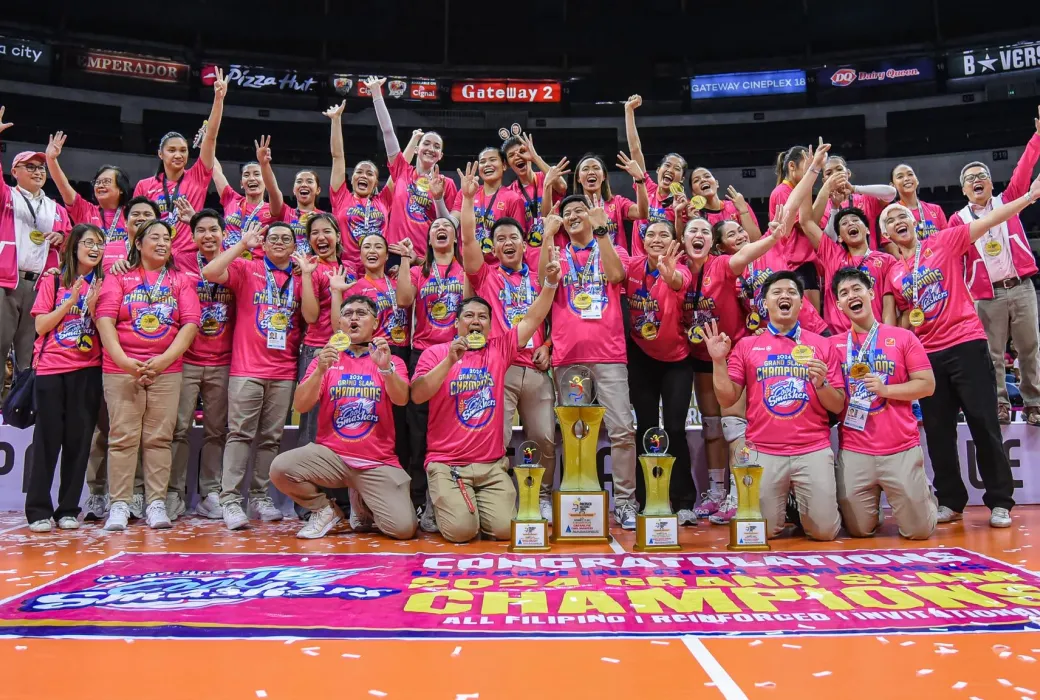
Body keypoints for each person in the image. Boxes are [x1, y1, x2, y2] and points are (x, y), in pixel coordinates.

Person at [881, 173, 1040, 528]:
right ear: (887, 235)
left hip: (966, 342)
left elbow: (990, 219)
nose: (897, 221)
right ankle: (951, 500)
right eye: (890, 220)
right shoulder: (894, 272)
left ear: (914, 222)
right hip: (928, 355)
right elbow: (907, 315)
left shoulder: (944, 241)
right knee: (938, 431)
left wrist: (1028, 198)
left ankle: (1000, 501)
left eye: (901, 216)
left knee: (984, 422)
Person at [687, 158, 822, 523]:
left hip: (795, 343)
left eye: (742, 232)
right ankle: (731, 493)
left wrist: (812, 172)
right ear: (720, 246)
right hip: (748, 352)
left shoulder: (770, 252)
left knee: (783, 421)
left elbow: (791, 210)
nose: (740, 237)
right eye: (730, 235)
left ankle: (783, 494)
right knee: (732, 427)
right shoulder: (725, 269)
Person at [411, 258, 559, 543]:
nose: (475, 321)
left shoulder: (499, 349)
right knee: (462, 533)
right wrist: (450, 361)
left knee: (505, 531)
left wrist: (550, 284)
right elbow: (417, 394)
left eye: (482, 317)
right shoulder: (436, 353)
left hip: (490, 466)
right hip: (449, 463)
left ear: (491, 325)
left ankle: (464, 505)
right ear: (456, 323)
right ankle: (443, 500)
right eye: (469, 316)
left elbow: (532, 319)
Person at [705, 271, 845, 541]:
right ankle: (791, 503)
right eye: (777, 292)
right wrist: (718, 361)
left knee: (825, 532)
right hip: (764, 450)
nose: (785, 296)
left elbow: (838, 404)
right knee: (762, 532)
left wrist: (821, 383)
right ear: (765, 304)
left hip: (812, 448)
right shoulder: (747, 345)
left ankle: (802, 503)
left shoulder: (822, 345)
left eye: (792, 292)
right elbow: (727, 398)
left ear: (802, 303)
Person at [270, 295, 417, 540]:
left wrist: (385, 369)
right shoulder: (326, 359)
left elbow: (402, 399)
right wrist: (319, 370)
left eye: (361, 313)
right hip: (332, 457)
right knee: (280, 468)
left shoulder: (391, 360)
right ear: (340, 324)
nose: (354, 318)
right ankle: (324, 510)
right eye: (348, 314)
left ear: (375, 322)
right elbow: (301, 405)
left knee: (403, 530)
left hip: (376, 460)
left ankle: (362, 500)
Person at [460, 164, 556, 523]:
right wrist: (468, 200)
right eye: (499, 239)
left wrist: (550, 345)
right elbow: (468, 241)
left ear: (522, 242)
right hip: (498, 368)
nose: (506, 243)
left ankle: (542, 497)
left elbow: (554, 313)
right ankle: (497, 502)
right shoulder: (484, 274)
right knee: (495, 440)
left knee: (544, 438)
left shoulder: (537, 273)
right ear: (494, 247)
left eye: (512, 237)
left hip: (535, 366)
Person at [95, 219, 201, 531]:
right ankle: (120, 504)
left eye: (166, 238)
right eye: (153, 237)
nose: (161, 242)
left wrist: (164, 360)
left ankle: (156, 503)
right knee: (123, 438)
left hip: (166, 371)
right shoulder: (120, 278)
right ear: (138, 244)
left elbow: (190, 324)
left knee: (159, 439)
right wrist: (125, 361)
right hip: (121, 369)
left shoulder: (181, 281)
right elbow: (104, 321)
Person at [539, 195, 637, 528]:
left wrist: (602, 231)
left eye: (580, 210)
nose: (573, 216)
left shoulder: (611, 245)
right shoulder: (556, 254)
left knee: (622, 430)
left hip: (609, 354)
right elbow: (543, 285)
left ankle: (624, 502)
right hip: (568, 357)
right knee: (574, 432)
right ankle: (578, 498)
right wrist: (548, 237)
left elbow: (616, 275)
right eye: (567, 214)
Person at [202, 221, 303, 530]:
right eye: (273, 237)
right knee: (240, 434)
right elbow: (210, 273)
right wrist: (242, 245)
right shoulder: (248, 268)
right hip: (247, 367)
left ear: (294, 245)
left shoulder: (299, 278)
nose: (280, 242)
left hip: (284, 369)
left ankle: (260, 497)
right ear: (264, 242)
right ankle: (230, 499)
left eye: (286, 238)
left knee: (271, 438)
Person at [828, 267, 937, 539]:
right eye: (844, 293)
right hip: (855, 449)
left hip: (900, 447)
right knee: (858, 530)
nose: (851, 295)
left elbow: (927, 385)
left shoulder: (903, 337)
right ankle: (872, 508)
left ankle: (923, 497)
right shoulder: (832, 346)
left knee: (919, 532)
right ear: (839, 305)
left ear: (870, 293)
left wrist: (886, 389)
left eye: (856, 289)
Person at [951, 113, 1040, 427]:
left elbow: (1024, 169)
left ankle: (1034, 404)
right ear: (963, 189)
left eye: (982, 176)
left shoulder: (1008, 200)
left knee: (1030, 348)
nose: (977, 180)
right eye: (970, 178)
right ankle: (999, 404)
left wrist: (1037, 138)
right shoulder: (958, 220)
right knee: (992, 355)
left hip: (1021, 286)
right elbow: (955, 262)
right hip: (987, 295)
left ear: (991, 182)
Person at [80, 196, 162, 521]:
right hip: (107, 356)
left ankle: (137, 493)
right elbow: (94, 302)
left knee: (143, 432)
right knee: (107, 430)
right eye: (136, 215)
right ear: (127, 222)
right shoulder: (110, 253)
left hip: (150, 358)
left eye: (149, 216)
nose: (141, 219)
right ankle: (99, 493)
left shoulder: (160, 258)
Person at [25, 224, 105, 532]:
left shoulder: (104, 283)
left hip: (87, 370)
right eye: (88, 243)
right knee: (47, 440)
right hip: (52, 369)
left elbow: (105, 328)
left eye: (99, 243)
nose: (94, 248)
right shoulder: (55, 279)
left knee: (79, 440)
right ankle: (38, 510)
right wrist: (69, 303)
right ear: (74, 248)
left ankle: (68, 509)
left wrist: (96, 308)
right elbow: (41, 325)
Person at [331, 233, 413, 494]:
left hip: (397, 354)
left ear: (387, 254)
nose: (373, 250)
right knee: (370, 419)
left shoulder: (396, 282)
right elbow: (340, 328)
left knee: (399, 424)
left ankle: (396, 486)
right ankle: (356, 490)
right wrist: (336, 293)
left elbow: (405, 301)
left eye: (379, 246)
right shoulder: (353, 288)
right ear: (360, 254)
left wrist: (405, 261)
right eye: (367, 246)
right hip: (365, 355)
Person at [623, 222, 695, 521]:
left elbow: (679, 282)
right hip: (641, 357)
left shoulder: (681, 267)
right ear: (642, 240)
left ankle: (683, 502)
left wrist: (670, 275)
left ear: (673, 241)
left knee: (675, 429)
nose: (656, 239)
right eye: (650, 234)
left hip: (677, 358)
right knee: (647, 428)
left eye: (664, 234)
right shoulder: (631, 267)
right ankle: (646, 499)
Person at [397, 216, 466, 526]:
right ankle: (418, 500)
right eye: (436, 227)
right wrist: (403, 260)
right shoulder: (417, 271)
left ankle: (447, 498)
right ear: (427, 238)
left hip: (459, 354)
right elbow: (403, 299)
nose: (441, 229)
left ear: (455, 238)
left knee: (451, 426)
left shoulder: (464, 271)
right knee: (418, 431)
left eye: (447, 227)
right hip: (423, 354)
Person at [168, 209, 236, 521]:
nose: (208, 236)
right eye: (201, 231)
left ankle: (211, 492)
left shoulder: (237, 260)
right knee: (178, 428)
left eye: (213, 230)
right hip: (186, 358)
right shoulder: (178, 259)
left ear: (224, 233)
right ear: (192, 235)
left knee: (215, 431)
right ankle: (173, 492)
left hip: (223, 359)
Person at [0, 106, 71, 390]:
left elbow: (68, 245)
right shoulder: (7, 197)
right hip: (7, 283)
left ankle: (24, 416)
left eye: (41, 167)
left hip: (41, 288)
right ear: (14, 171)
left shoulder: (56, 208)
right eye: (30, 166)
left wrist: (61, 239)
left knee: (32, 357)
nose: (38, 171)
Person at [132, 69, 226, 269]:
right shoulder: (144, 186)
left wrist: (218, 99)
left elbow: (210, 138)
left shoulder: (198, 177)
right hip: (153, 257)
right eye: (172, 150)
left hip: (188, 258)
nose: (178, 155)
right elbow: (135, 227)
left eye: (183, 150)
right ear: (161, 154)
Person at [365, 76, 458, 262]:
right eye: (427, 144)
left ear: (440, 156)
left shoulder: (447, 184)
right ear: (416, 149)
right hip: (394, 252)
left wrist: (438, 197)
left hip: (426, 257)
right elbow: (388, 132)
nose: (431, 149)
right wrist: (376, 92)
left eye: (437, 147)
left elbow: (447, 224)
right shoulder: (401, 171)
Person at [797, 199, 897, 333]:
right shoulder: (832, 254)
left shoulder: (887, 260)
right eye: (844, 223)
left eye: (855, 220)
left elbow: (889, 305)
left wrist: (888, 335)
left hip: (874, 336)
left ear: (867, 230)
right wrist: (813, 179)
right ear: (840, 238)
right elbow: (806, 222)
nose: (850, 223)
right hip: (838, 339)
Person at [296, 213, 353, 447]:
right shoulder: (309, 268)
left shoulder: (348, 268)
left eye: (326, 231)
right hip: (317, 350)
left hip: (346, 352)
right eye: (315, 233)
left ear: (338, 237)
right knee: (313, 421)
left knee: (340, 416)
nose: (321, 237)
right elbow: (310, 317)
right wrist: (308, 276)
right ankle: (307, 480)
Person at [44, 132, 132, 273]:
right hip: (88, 276)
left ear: (121, 188)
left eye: (107, 182)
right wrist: (51, 159)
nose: (100, 185)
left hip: (121, 276)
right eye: (98, 182)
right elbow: (63, 186)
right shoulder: (86, 210)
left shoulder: (132, 214)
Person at [326, 100, 394, 267]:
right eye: (359, 172)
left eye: (369, 173)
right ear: (352, 178)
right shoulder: (341, 197)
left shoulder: (384, 200)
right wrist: (336, 120)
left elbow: (399, 166)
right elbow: (337, 157)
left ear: (376, 182)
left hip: (377, 268)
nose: (363, 175)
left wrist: (414, 143)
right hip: (346, 268)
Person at [450, 147, 525, 262]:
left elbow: (517, 239)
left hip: (497, 267)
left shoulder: (513, 198)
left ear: (504, 166)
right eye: (483, 162)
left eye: (492, 160)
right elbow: (453, 221)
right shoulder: (466, 193)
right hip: (466, 265)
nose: (487, 164)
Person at [771, 144, 823, 311]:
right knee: (810, 324)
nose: (813, 173)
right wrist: (826, 191)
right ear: (792, 166)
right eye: (807, 167)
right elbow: (807, 223)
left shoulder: (796, 191)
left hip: (805, 263)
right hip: (796, 264)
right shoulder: (782, 192)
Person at [812, 155, 897, 252]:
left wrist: (854, 189)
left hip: (869, 263)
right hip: (840, 264)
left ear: (848, 173)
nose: (834, 175)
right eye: (828, 173)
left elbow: (891, 193)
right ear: (824, 181)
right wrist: (834, 208)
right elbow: (829, 240)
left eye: (839, 169)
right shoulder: (822, 207)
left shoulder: (864, 199)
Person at [502, 131, 568, 245]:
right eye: (511, 155)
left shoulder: (545, 175)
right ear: (507, 164)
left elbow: (562, 186)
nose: (518, 156)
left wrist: (535, 157)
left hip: (555, 244)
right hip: (528, 251)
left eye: (522, 151)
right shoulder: (509, 192)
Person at [213, 154, 271, 251]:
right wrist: (204, 144)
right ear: (241, 184)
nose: (251, 178)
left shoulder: (273, 210)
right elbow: (216, 172)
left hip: (254, 263)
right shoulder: (231, 199)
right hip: (227, 260)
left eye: (257, 174)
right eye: (246, 175)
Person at [687, 168, 761, 236]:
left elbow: (756, 241)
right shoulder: (693, 214)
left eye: (707, 176)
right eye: (696, 180)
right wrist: (694, 221)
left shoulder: (737, 206)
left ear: (716, 183)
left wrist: (743, 211)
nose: (703, 180)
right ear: (693, 192)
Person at [889, 163, 948, 240]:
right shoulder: (890, 214)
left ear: (917, 180)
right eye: (900, 176)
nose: (906, 178)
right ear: (893, 186)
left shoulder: (936, 209)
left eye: (910, 174)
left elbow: (947, 240)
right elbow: (892, 249)